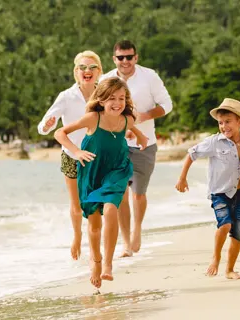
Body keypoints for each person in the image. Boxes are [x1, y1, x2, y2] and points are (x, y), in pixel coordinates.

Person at [54, 77, 148, 288]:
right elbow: (59, 132)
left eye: (122, 98)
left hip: (117, 170)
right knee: (94, 226)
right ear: (102, 100)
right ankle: (95, 259)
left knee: (112, 209)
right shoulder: (92, 118)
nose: (117, 103)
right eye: (112, 98)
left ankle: (107, 264)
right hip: (92, 172)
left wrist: (141, 137)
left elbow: (133, 128)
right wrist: (76, 151)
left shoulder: (126, 120)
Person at [175, 98, 240, 280]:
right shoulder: (214, 142)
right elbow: (192, 154)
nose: (224, 126)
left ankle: (230, 270)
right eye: (220, 123)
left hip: (239, 194)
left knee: (238, 233)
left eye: (228, 122)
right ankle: (215, 257)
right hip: (219, 193)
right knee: (225, 224)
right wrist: (182, 177)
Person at [99, 40, 173, 257]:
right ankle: (125, 242)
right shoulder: (106, 80)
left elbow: (167, 105)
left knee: (138, 193)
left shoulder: (150, 76)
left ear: (136, 58)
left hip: (145, 144)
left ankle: (137, 230)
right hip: (115, 144)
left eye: (129, 57)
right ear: (114, 59)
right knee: (120, 193)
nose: (125, 61)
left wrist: (146, 116)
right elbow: (97, 108)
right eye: (120, 58)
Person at [37, 50, 103, 260]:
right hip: (71, 155)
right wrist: (47, 125)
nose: (87, 71)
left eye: (92, 67)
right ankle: (77, 236)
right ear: (76, 72)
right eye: (82, 67)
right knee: (76, 205)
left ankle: (95, 248)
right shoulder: (66, 96)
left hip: (96, 156)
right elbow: (45, 125)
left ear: (99, 72)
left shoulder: (103, 94)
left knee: (93, 203)